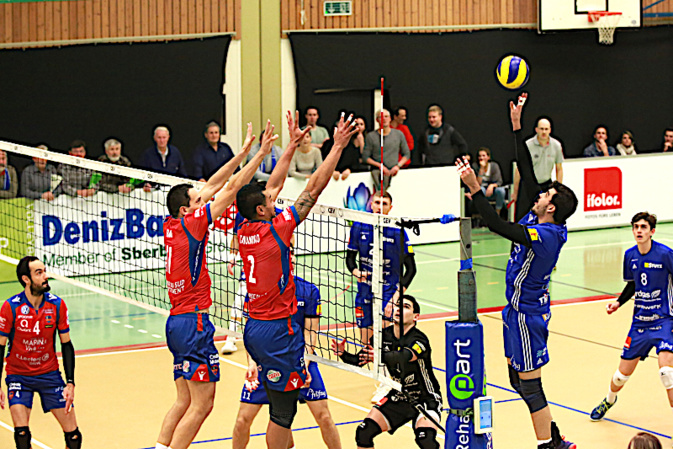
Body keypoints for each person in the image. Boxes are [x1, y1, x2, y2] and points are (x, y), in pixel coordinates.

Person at [457, 93, 578, 449]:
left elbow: (497, 225)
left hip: (528, 314)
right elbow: (527, 169)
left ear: (550, 208)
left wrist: (475, 190)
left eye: (545, 195)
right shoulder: (541, 214)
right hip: (514, 308)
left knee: (529, 384)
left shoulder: (546, 236)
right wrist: (516, 127)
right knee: (516, 379)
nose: (538, 194)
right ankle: (552, 435)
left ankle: (550, 444)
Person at [235, 111, 356, 449]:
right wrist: (338, 146)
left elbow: (272, 186)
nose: (274, 198)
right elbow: (313, 189)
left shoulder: (244, 228)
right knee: (283, 411)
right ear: (262, 211)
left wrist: (290, 146)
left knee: (279, 405)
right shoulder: (277, 229)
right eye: (269, 201)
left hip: (254, 327)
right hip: (278, 332)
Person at [155, 122, 275, 449]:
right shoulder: (193, 224)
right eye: (198, 200)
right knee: (202, 405)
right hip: (193, 322)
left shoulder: (172, 223)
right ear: (186, 209)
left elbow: (214, 183)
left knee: (183, 401)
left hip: (176, 323)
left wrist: (242, 152)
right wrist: (260, 154)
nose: (203, 199)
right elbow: (232, 187)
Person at [232, 250, 341, 449]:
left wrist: (305, 364)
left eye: (289, 255)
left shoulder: (308, 290)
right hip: (266, 361)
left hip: (300, 359)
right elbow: (251, 332)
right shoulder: (257, 291)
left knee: (323, 416)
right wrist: (252, 363)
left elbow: (310, 333)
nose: (287, 259)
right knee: (242, 420)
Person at [589, 212, 673, 423]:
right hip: (640, 324)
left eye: (643, 227)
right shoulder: (630, 255)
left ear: (652, 231)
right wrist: (618, 302)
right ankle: (609, 400)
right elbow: (633, 284)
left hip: (664, 320)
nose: (639, 231)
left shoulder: (665, 254)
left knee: (666, 372)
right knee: (620, 376)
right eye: (636, 227)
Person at [331, 295, 443, 449]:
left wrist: (379, 356)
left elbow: (405, 356)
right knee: (364, 432)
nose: (399, 309)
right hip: (399, 395)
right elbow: (358, 360)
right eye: (398, 305)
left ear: (416, 317)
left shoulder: (419, 340)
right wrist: (343, 353)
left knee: (425, 440)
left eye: (406, 307)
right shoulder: (382, 337)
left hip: (425, 398)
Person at [0, 256, 82, 449]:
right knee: (22, 435)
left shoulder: (57, 305)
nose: (45, 276)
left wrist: (70, 383)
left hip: (49, 375)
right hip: (19, 376)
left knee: (74, 437)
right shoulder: (11, 307)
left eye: (44, 271)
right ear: (26, 279)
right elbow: (0, 347)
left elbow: (66, 345)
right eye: (39, 273)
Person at [347, 190, 416, 346]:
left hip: (388, 293)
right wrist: (356, 272)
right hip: (365, 291)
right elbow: (350, 259)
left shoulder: (397, 230)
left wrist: (395, 297)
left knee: (386, 344)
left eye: (384, 204)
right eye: (377, 203)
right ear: (371, 205)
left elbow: (411, 270)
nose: (379, 207)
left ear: (390, 208)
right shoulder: (359, 226)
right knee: (366, 344)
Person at [513, 117, 564, 204]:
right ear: (536, 129)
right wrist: (515, 192)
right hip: (528, 186)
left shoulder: (556, 145)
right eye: (541, 129)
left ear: (550, 130)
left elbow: (559, 169)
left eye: (546, 129)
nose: (544, 132)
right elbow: (519, 170)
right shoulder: (528, 145)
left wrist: (558, 189)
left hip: (546, 185)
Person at [362, 109, 410, 191]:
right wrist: (380, 166)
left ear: (390, 118)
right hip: (377, 172)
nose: (384, 119)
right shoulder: (371, 136)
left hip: (395, 173)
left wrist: (398, 166)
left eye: (386, 116)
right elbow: (365, 157)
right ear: (377, 120)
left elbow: (407, 154)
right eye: (381, 117)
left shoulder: (398, 134)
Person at [140, 126, 188, 191]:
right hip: (153, 191)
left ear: (168, 137)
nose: (162, 141)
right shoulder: (147, 154)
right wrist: (145, 184)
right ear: (154, 138)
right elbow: (142, 175)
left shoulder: (175, 152)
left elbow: (182, 173)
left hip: (172, 190)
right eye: (159, 137)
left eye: (164, 137)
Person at [475, 147, 507, 217]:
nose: (481, 158)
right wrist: (481, 169)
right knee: (480, 190)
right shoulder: (475, 166)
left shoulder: (494, 166)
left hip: (493, 190)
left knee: (501, 191)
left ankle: (497, 213)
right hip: (483, 189)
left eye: (483, 156)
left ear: (488, 157)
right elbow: (477, 184)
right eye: (480, 156)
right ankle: (483, 213)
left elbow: (499, 182)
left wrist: (491, 186)